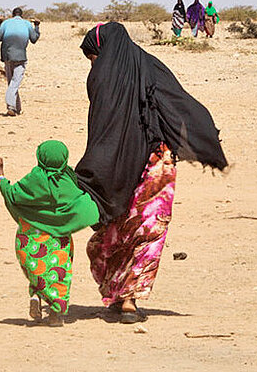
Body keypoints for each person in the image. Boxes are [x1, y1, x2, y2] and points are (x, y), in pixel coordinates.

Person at [76, 22, 229, 323]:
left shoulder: (101, 76)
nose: (94, 63)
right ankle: (126, 297)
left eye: (93, 56)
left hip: (118, 169)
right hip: (157, 165)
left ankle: (125, 297)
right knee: (146, 231)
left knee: (120, 231)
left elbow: (102, 132)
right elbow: (179, 106)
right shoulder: (153, 67)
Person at [0, 140, 99, 327]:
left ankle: (35, 295)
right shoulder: (68, 181)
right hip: (58, 238)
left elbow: (10, 194)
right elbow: (83, 203)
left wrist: (0, 172)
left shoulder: (34, 179)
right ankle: (55, 314)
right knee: (58, 274)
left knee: (38, 271)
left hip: (29, 239)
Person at [0, 8, 41, 116]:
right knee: (15, 83)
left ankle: (17, 108)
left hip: (7, 56)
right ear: (21, 15)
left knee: (12, 83)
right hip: (20, 56)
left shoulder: (6, 23)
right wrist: (37, 27)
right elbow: (34, 39)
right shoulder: (27, 24)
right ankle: (11, 106)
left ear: (12, 14)